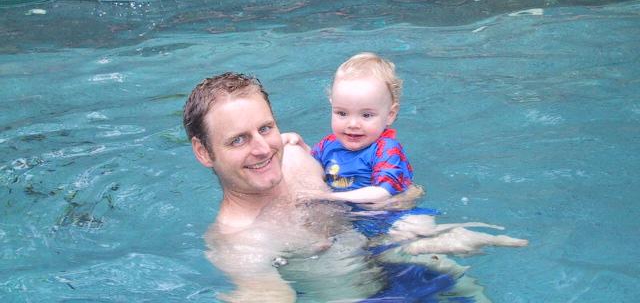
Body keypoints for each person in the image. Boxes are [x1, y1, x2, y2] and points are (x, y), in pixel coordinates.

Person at [183, 72, 527, 302]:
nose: (262, 149)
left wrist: (421, 228)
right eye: (238, 139)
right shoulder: (240, 243)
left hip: (411, 264)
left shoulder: (297, 160)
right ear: (203, 152)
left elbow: (395, 190)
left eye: (265, 128)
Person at [310, 52, 414, 204]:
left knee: (416, 219)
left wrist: (329, 197)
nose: (352, 124)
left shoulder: (385, 149)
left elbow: (383, 193)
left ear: (390, 115)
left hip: (391, 212)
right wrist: (293, 144)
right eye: (342, 113)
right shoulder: (327, 145)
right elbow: (307, 163)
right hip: (348, 213)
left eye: (366, 115)